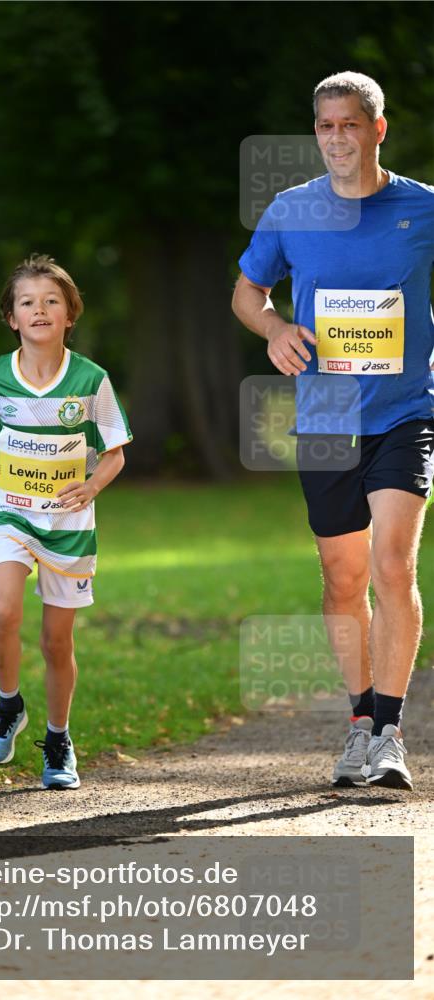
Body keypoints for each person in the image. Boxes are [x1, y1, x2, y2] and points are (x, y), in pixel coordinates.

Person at [232, 71, 434, 790]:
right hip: (324, 417)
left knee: (391, 566)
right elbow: (246, 292)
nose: (336, 138)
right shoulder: (292, 210)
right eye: (324, 127)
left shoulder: (423, 208)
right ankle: (357, 725)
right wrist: (274, 330)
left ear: (377, 129)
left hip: (405, 413)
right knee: (341, 576)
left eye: (349, 124)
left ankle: (388, 729)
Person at [0, 254, 132, 789]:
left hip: (69, 525)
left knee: (56, 642)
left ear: (70, 313)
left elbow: (116, 452)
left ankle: (57, 739)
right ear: (12, 317)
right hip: (7, 511)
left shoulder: (91, 381)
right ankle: (8, 705)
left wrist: (91, 486)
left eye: (51, 301)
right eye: (27, 302)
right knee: (4, 611)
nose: (39, 309)